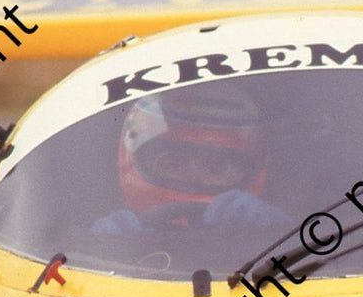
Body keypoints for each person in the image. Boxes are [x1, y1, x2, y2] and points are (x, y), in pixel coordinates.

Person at [93, 86, 291, 234]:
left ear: (252, 172)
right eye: (172, 165)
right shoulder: (104, 249)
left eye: (214, 169)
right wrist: (102, 245)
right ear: (134, 160)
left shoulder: (270, 236)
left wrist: (276, 233)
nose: (193, 177)